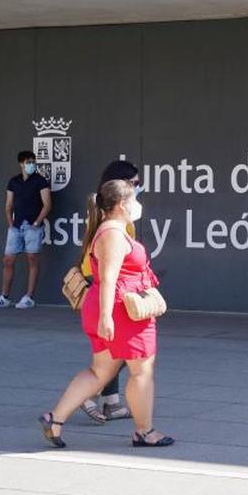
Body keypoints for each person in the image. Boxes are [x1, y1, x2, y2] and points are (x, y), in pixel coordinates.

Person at [38, 179, 173, 448]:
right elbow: (109, 277)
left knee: (100, 371)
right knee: (141, 371)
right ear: (122, 204)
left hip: (112, 308)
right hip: (123, 311)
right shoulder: (112, 233)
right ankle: (144, 432)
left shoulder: (109, 230)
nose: (137, 204)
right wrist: (106, 317)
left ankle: (55, 419)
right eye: (133, 199)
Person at [78, 160, 142, 424]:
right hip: (110, 284)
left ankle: (111, 401)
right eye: (135, 183)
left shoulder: (101, 209)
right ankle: (87, 393)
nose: (139, 189)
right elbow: (113, 264)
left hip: (101, 280)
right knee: (126, 348)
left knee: (114, 348)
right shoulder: (116, 217)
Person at [0, 150, 52, 310]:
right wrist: (11, 223)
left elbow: (47, 204)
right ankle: (4, 297)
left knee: (32, 259)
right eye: (28, 162)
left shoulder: (41, 181)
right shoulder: (13, 182)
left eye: (33, 162)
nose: (32, 164)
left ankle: (29, 297)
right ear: (21, 164)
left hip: (33, 227)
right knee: (8, 260)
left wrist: (37, 223)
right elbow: (8, 205)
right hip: (16, 227)